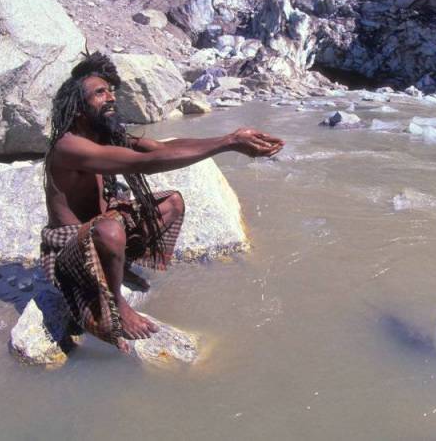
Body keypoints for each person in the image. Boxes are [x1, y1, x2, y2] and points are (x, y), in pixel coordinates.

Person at [40, 51, 283, 352]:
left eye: (111, 91)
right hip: (69, 249)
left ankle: (115, 263)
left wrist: (230, 138)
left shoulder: (105, 136)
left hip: (100, 231)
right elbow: (145, 161)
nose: (111, 97)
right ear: (78, 107)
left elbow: (159, 147)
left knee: (171, 204)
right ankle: (115, 305)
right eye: (100, 93)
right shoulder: (69, 147)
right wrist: (228, 143)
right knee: (110, 230)